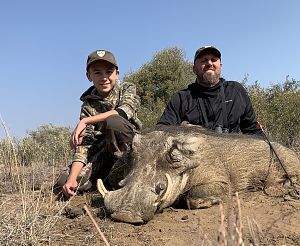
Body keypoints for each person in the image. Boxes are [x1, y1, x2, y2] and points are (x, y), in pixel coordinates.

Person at [54, 50, 141, 198]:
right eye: (97, 73)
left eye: (109, 72)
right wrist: (72, 179)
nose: (104, 78)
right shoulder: (88, 104)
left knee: (113, 122)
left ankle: (128, 174)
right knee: (62, 184)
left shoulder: (127, 89)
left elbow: (124, 112)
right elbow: (84, 145)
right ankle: (95, 181)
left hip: (131, 148)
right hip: (103, 150)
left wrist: (85, 120)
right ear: (89, 76)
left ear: (117, 74)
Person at [157, 45, 263, 135]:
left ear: (220, 66)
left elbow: (253, 130)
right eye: (203, 60)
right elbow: (161, 131)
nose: (209, 63)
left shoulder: (236, 91)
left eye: (214, 59)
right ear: (194, 69)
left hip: (232, 157)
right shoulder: (181, 98)